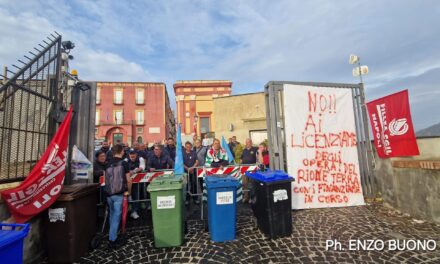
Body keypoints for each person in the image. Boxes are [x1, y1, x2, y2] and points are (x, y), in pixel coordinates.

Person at [104, 144, 132, 248]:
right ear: (121, 151)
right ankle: (112, 240)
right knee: (116, 216)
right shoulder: (124, 163)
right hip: (119, 193)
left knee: (112, 215)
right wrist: (128, 192)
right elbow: (129, 180)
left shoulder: (107, 164)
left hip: (108, 193)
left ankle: (113, 234)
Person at [125, 149, 146, 219]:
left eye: (133, 154)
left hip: (137, 182)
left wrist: (133, 171)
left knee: (136, 196)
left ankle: (134, 211)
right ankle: (127, 210)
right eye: (131, 154)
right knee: (127, 196)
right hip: (127, 182)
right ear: (129, 154)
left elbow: (142, 167)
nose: (132, 156)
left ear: (136, 154)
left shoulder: (140, 159)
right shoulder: (126, 160)